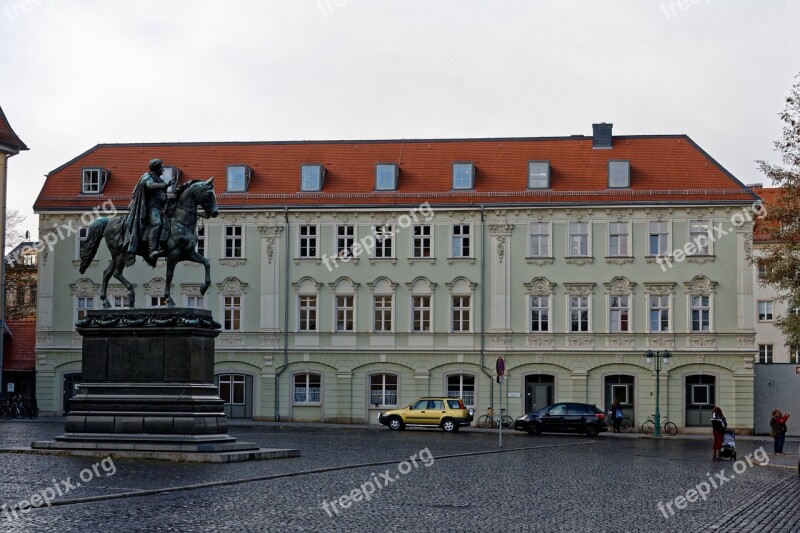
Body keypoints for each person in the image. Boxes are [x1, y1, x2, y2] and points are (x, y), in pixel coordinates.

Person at [124, 159, 175, 263]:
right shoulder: (148, 177)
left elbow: (161, 194)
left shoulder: (159, 179)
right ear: (156, 168)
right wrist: (166, 185)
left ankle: (163, 245)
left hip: (161, 208)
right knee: (157, 223)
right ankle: (152, 250)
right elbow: (150, 186)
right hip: (151, 207)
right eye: (161, 167)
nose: (163, 169)